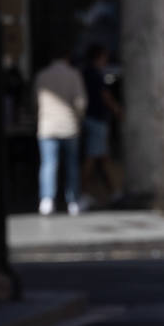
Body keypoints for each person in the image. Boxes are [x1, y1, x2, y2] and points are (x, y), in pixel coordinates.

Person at [34, 47, 88, 215]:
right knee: (71, 165)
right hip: (69, 125)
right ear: (67, 56)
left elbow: (35, 101)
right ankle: (72, 201)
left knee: (48, 164)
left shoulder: (42, 75)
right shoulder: (73, 75)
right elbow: (80, 102)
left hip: (47, 125)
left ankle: (47, 200)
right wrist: (78, 119)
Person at [81, 43, 122, 207]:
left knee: (101, 157)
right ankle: (82, 193)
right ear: (99, 57)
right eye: (105, 57)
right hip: (96, 119)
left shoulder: (86, 73)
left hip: (93, 118)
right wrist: (117, 110)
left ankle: (114, 192)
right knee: (92, 158)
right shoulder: (94, 74)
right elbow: (105, 96)